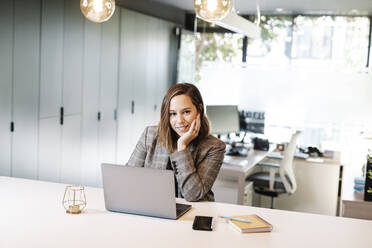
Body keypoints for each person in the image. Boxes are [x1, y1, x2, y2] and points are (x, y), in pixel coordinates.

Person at [126, 83, 226, 202]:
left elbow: (193, 195)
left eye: (186, 112)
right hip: (154, 206)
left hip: (195, 212)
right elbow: (128, 177)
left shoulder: (214, 147)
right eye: (173, 114)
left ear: (199, 110)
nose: (179, 121)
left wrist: (182, 147)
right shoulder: (150, 135)